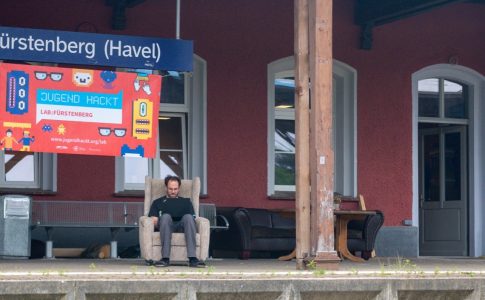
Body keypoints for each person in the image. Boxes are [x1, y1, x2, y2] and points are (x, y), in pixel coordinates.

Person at [148, 175, 205, 268]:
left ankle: (193, 258)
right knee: (165, 217)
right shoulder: (157, 202)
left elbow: (193, 218)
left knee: (188, 217)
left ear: (179, 188)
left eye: (175, 189)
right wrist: (155, 219)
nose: (173, 191)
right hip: (165, 226)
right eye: (170, 189)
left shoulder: (186, 202)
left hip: (181, 226)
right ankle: (165, 258)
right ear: (166, 187)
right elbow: (153, 219)